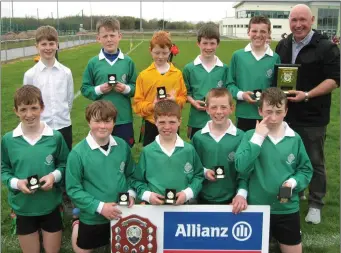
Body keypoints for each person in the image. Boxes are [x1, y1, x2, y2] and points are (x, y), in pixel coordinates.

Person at [275, 4, 340, 224]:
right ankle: (295, 192)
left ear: (311, 20)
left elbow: (334, 80)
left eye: (303, 20)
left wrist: (307, 94)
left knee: (314, 160)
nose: (298, 24)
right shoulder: (282, 45)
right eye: (294, 20)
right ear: (289, 22)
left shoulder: (326, 47)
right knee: (287, 158)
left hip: (313, 116)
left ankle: (315, 203)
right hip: (285, 115)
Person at [235, 87, 313, 253]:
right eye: (269, 111)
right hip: (256, 208)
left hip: (286, 208)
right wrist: (258, 138)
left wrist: (292, 182)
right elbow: (241, 168)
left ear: (285, 111)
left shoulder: (294, 138)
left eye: (278, 111)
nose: (274, 117)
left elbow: (305, 170)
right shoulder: (249, 136)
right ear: (260, 111)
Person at [1, 85, 69, 253]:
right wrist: (17, 183)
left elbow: (65, 164)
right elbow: (4, 169)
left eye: (34, 108)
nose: (29, 114)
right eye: (23, 109)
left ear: (42, 108)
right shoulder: (9, 140)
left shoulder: (55, 137)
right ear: (16, 111)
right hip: (23, 207)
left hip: (50, 204)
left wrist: (54, 176)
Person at [66, 100, 136, 252]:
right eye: (97, 121)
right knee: (83, 247)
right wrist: (100, 207)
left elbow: (131, 175)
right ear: (88, 122)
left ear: (114, 122)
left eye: (107, 121)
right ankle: (77, 224)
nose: (102, 126)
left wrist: (131, 194)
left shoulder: (122, 145)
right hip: (93, 216)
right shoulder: (77, 154)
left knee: (121, 245)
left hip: (121, 211)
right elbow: (73, 189)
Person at [132, 99, 204, 205]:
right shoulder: (147, 151)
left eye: (172, 122)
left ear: (179, 121)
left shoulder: (189, 150)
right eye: (162, 122)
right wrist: (148, 195)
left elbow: (198, 176)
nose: (167, 127)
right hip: (155, 209)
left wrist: (187, 194)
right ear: (155, 121)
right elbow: (137, 180)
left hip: (182, 207)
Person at [81, 17, 137, 147]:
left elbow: (136, 88)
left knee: (125, 151)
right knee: (101, 153)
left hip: (123, 118)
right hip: (101, 120)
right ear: (98, 38)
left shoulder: (128, 62)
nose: (109, 39)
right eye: (105, 36)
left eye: (112, 35)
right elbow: (85, 88)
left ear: (119, 36)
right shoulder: (93, 63)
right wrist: (99, 89)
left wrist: (126, 89)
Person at [191, 88, 247, 214]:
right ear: (207, 109)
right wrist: (205, 172)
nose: (219, 112)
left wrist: (241, 193)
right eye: (214, 107)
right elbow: (193, 166)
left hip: (232, 200)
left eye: (223, 107)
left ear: (231, 108)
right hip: (202, 198)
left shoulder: (241, 137)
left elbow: (245, 171)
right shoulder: (198, 137)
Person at [23, 25, 74, 151]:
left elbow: (69, 100)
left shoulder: (66, 72)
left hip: (64, 126)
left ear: (57, 45)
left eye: (51, 44)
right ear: (37, 46)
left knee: (65, 164)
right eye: (44, 44)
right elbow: (26, 104)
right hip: (40, 127)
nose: (48, 48)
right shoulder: (30, 75)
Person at [227, 15, 281, 132]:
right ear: (248, 32)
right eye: (254, 31)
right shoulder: (238, 56)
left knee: (266, 149)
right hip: (244, 114)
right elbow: (229, 84)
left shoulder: (275, 58)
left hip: (268, 115)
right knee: (246, 148)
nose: (258, 35)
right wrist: (241, 95)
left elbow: (277, 88)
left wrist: (269, 97)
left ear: (269, 33)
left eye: (263, 31)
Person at [133, 31, 187, 146]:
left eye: (164, 53)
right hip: (151, 123)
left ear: (170, 51)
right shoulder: (143, 76)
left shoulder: (177, 74)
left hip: (172, 123)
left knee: (172, 156)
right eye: (157, 53)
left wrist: (175, 101)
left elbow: (183, 98)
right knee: (151, 158)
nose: (161, 56)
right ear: (150, 51)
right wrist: (153, 106)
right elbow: (137, 105)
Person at [183, 23, 229, 139]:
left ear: (218, 44)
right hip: (197, 121)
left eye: (212, 43)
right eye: (205, 43)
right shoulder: (189, 68)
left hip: (220, 120)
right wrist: (193, 102)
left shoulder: (224, 69)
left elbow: (228, 93)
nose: (208, 47)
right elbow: (185, 93)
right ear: (198, 43)